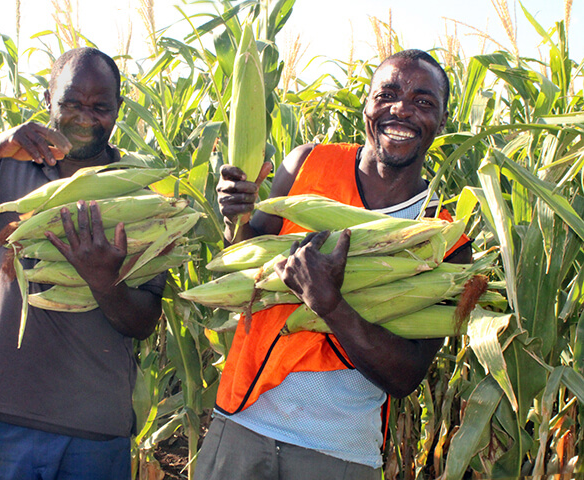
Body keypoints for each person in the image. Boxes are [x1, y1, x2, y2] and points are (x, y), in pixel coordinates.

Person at [195, 49, 472, 479]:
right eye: (388, 94)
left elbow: (404, 377)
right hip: (242, 422)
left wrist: (331, 305)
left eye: (423, 101)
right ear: (366, 105)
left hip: (339, 453)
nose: (401, 109)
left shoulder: (444, 237)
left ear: (441, 120)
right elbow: (244, 265)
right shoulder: (307, 164)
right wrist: (237, 215)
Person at [0, 47, 165, 479]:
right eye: (71, 103)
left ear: (118, 109)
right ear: (48, 101)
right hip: (6, 411)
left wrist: (104, 283)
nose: (85, 117)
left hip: (96, 424)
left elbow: (144, 321)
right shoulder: (9, 168)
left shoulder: (139, 195)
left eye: (100, 107)